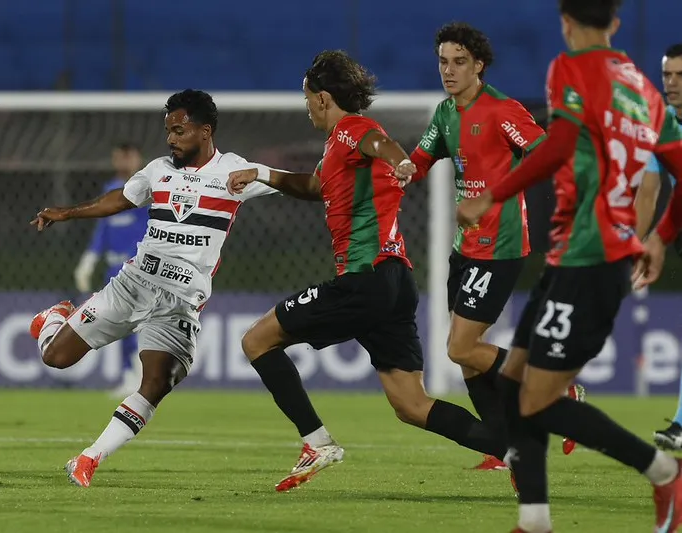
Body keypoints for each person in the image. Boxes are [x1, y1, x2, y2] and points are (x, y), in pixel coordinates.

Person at [227, 50, 508, 493]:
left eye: (306, 98)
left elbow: (378, 143)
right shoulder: (337, 146)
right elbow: (316, 187)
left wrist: (399, 158)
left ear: (322, 98)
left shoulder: (354, 131)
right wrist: (261, 172)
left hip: (365, 279)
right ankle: (515, 447)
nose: (305, 108)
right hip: (395, 282)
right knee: (411, 405)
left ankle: (317, 443)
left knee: (256, 340)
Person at [456, 1, 682, 531]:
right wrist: (660, 237)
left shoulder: (571, 68)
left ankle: (663, 470)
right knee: (512, 382)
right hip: (578, 259)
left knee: (536, 398)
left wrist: (493, 195)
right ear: (616, 23)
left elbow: (558, 143)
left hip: (591, 259)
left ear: (565, 21)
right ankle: (534, 519)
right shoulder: (646, 91)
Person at [28, 89, 278, 487]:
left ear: (204, 131)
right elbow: (121, 199)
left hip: (179, 303)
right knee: (56, 358)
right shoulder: (158, 169)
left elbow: (300, 184)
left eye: (178, 130)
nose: (170, 139)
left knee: (158, 381)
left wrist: (289, 173)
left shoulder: (234, 171)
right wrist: (68, 213)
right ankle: (54, 319)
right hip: (134, 284)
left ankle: (88, 459)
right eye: (168, 131)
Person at [409, 22, 583, 470]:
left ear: (478, 65)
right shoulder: (445, 113)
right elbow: (418, 163)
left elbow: (547, 153)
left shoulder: (503, 110)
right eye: (443, 61)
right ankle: (506, 446)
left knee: (461, 349)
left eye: (459, 62)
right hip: (464, 247)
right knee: (470, 358)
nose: (449, 70)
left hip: (501, 245)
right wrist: (386, 169)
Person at [73, 141, 148, 398]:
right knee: (120, 325)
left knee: (139, 325)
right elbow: (102, 229)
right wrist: (89, 259)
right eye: (121, 157)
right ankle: (130, 376)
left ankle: (139, 378)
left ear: (137, 158)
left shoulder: (148, 187)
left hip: (140, 269)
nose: (125, 162)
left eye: (130, 156)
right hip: (113, 270)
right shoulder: (109, 190)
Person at [639, 43, 682, 450]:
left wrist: (661, 236)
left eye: (680, 76)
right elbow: (649, 191)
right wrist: (635, 243)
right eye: (667, 75)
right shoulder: (663, 124)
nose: (671, 83)